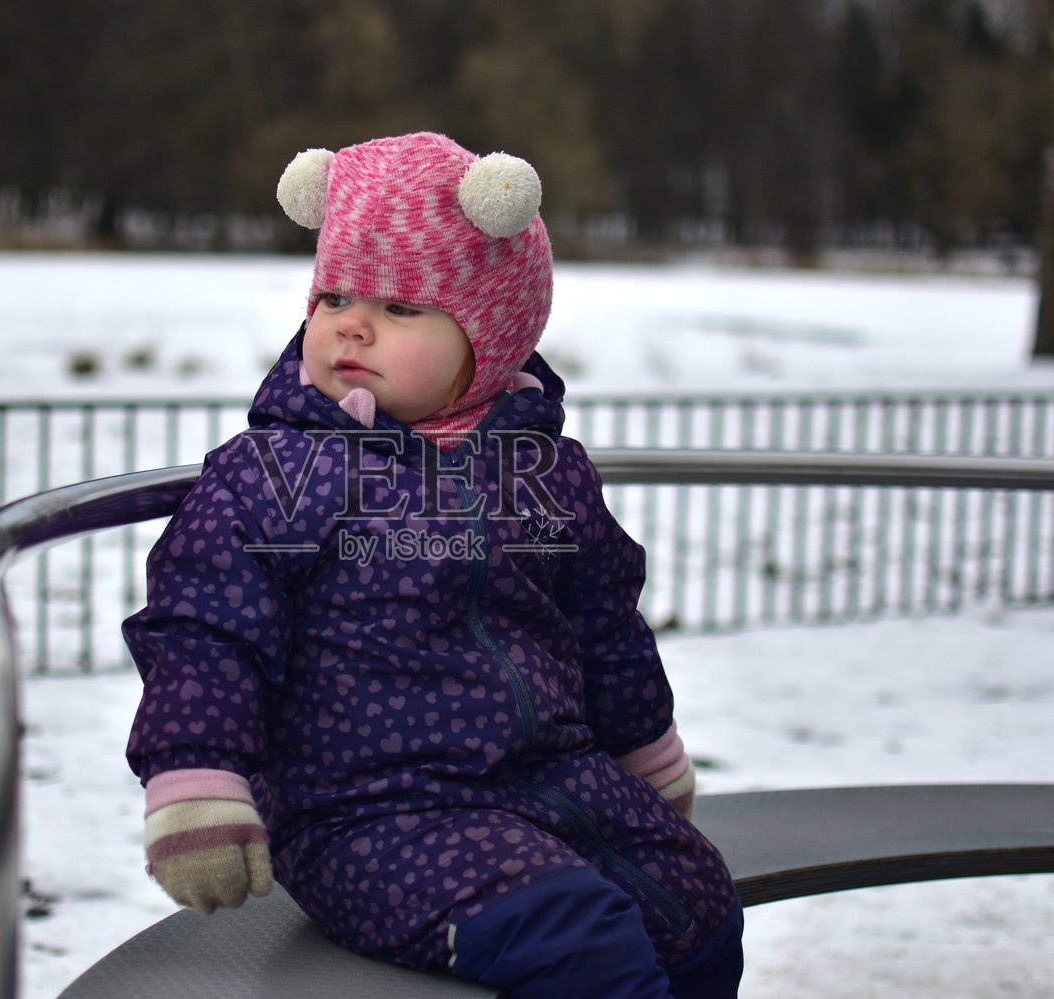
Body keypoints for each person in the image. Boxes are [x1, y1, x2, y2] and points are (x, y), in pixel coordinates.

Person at [124, 132, 743, 998]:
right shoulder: (287, 467)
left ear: (487, 337)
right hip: (367, 812)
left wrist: (644, 749)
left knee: (700, 906)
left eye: (402, 306)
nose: (350, 322)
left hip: (551, 781)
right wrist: (194, 775)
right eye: (333, 292)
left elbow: (603, 622)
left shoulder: (541, 472)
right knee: (577, 941)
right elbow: (206, 622)